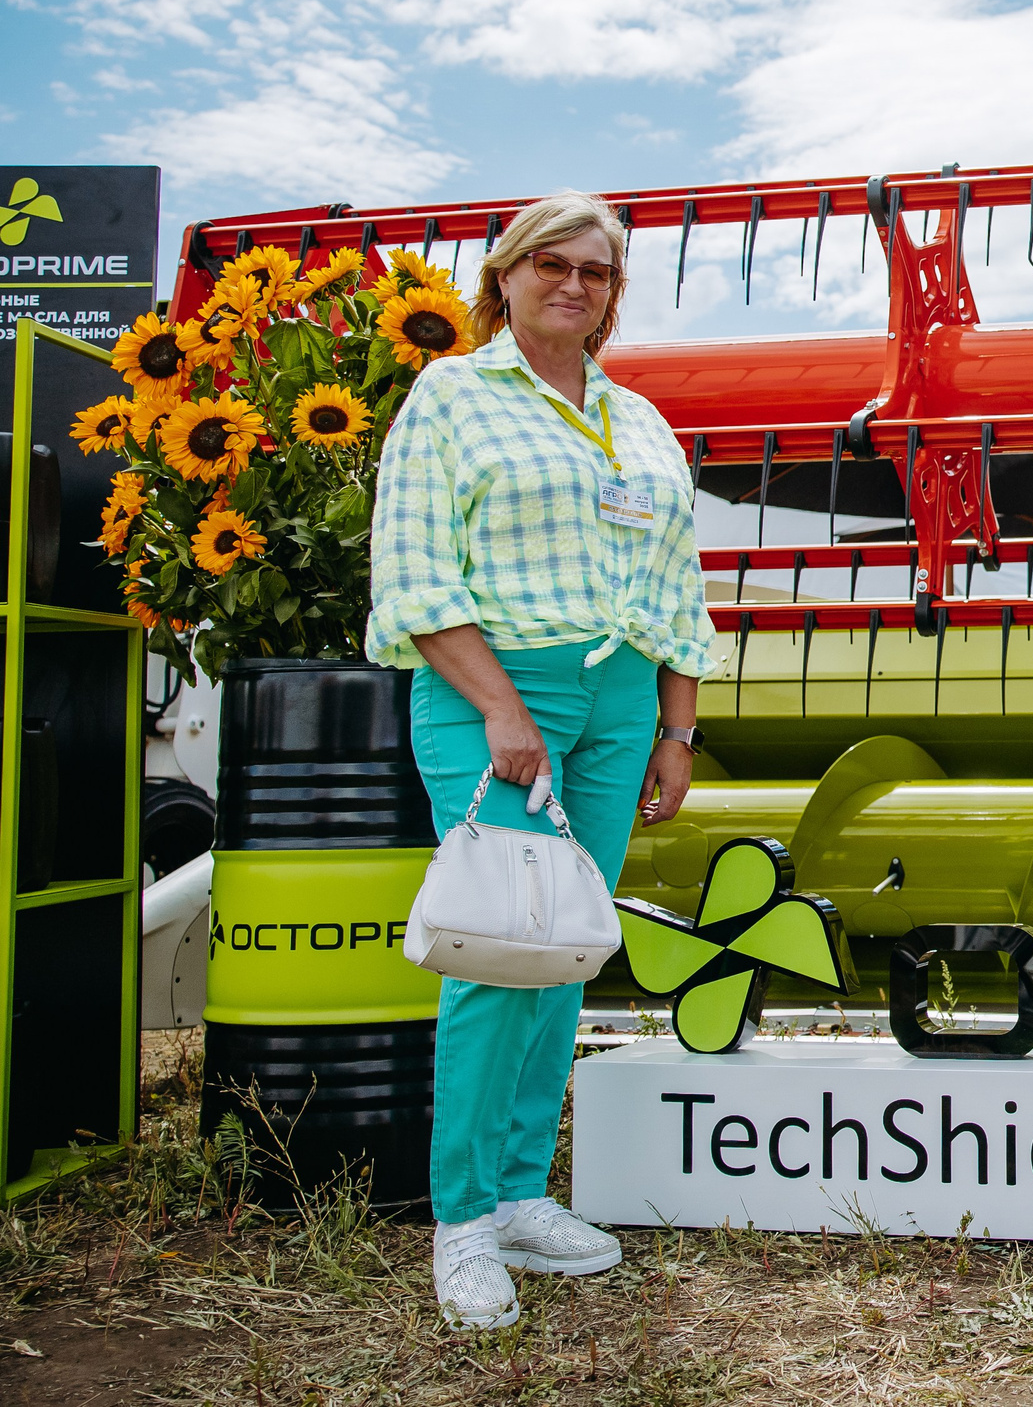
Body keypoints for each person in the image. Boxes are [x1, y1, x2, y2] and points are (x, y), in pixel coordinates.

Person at [367, 190, 718, 1329]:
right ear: (506, 275)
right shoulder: (452, 396)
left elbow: (678, 590)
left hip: (620, 701)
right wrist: (505, 709)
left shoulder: (639, 420)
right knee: (492, 947)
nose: (575, 284)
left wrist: (676, 728)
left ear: (616, 295)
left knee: (562, 946)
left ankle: (523, 1192)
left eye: (598, 272)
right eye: (552, 264)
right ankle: (461, 1219)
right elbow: (418, 577)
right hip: (494, 690)